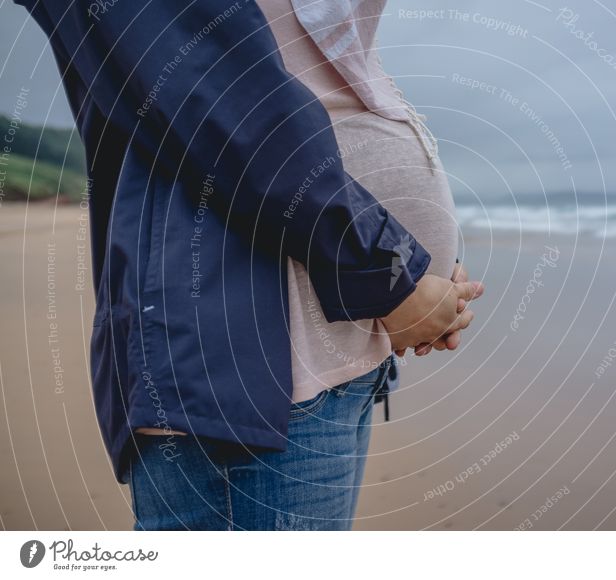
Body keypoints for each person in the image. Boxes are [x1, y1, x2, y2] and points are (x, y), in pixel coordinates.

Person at [14, 0, 483, 529]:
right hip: (252, 366)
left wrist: (416, 272)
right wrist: (391, 278)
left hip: (342, 346)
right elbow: (223, 103)